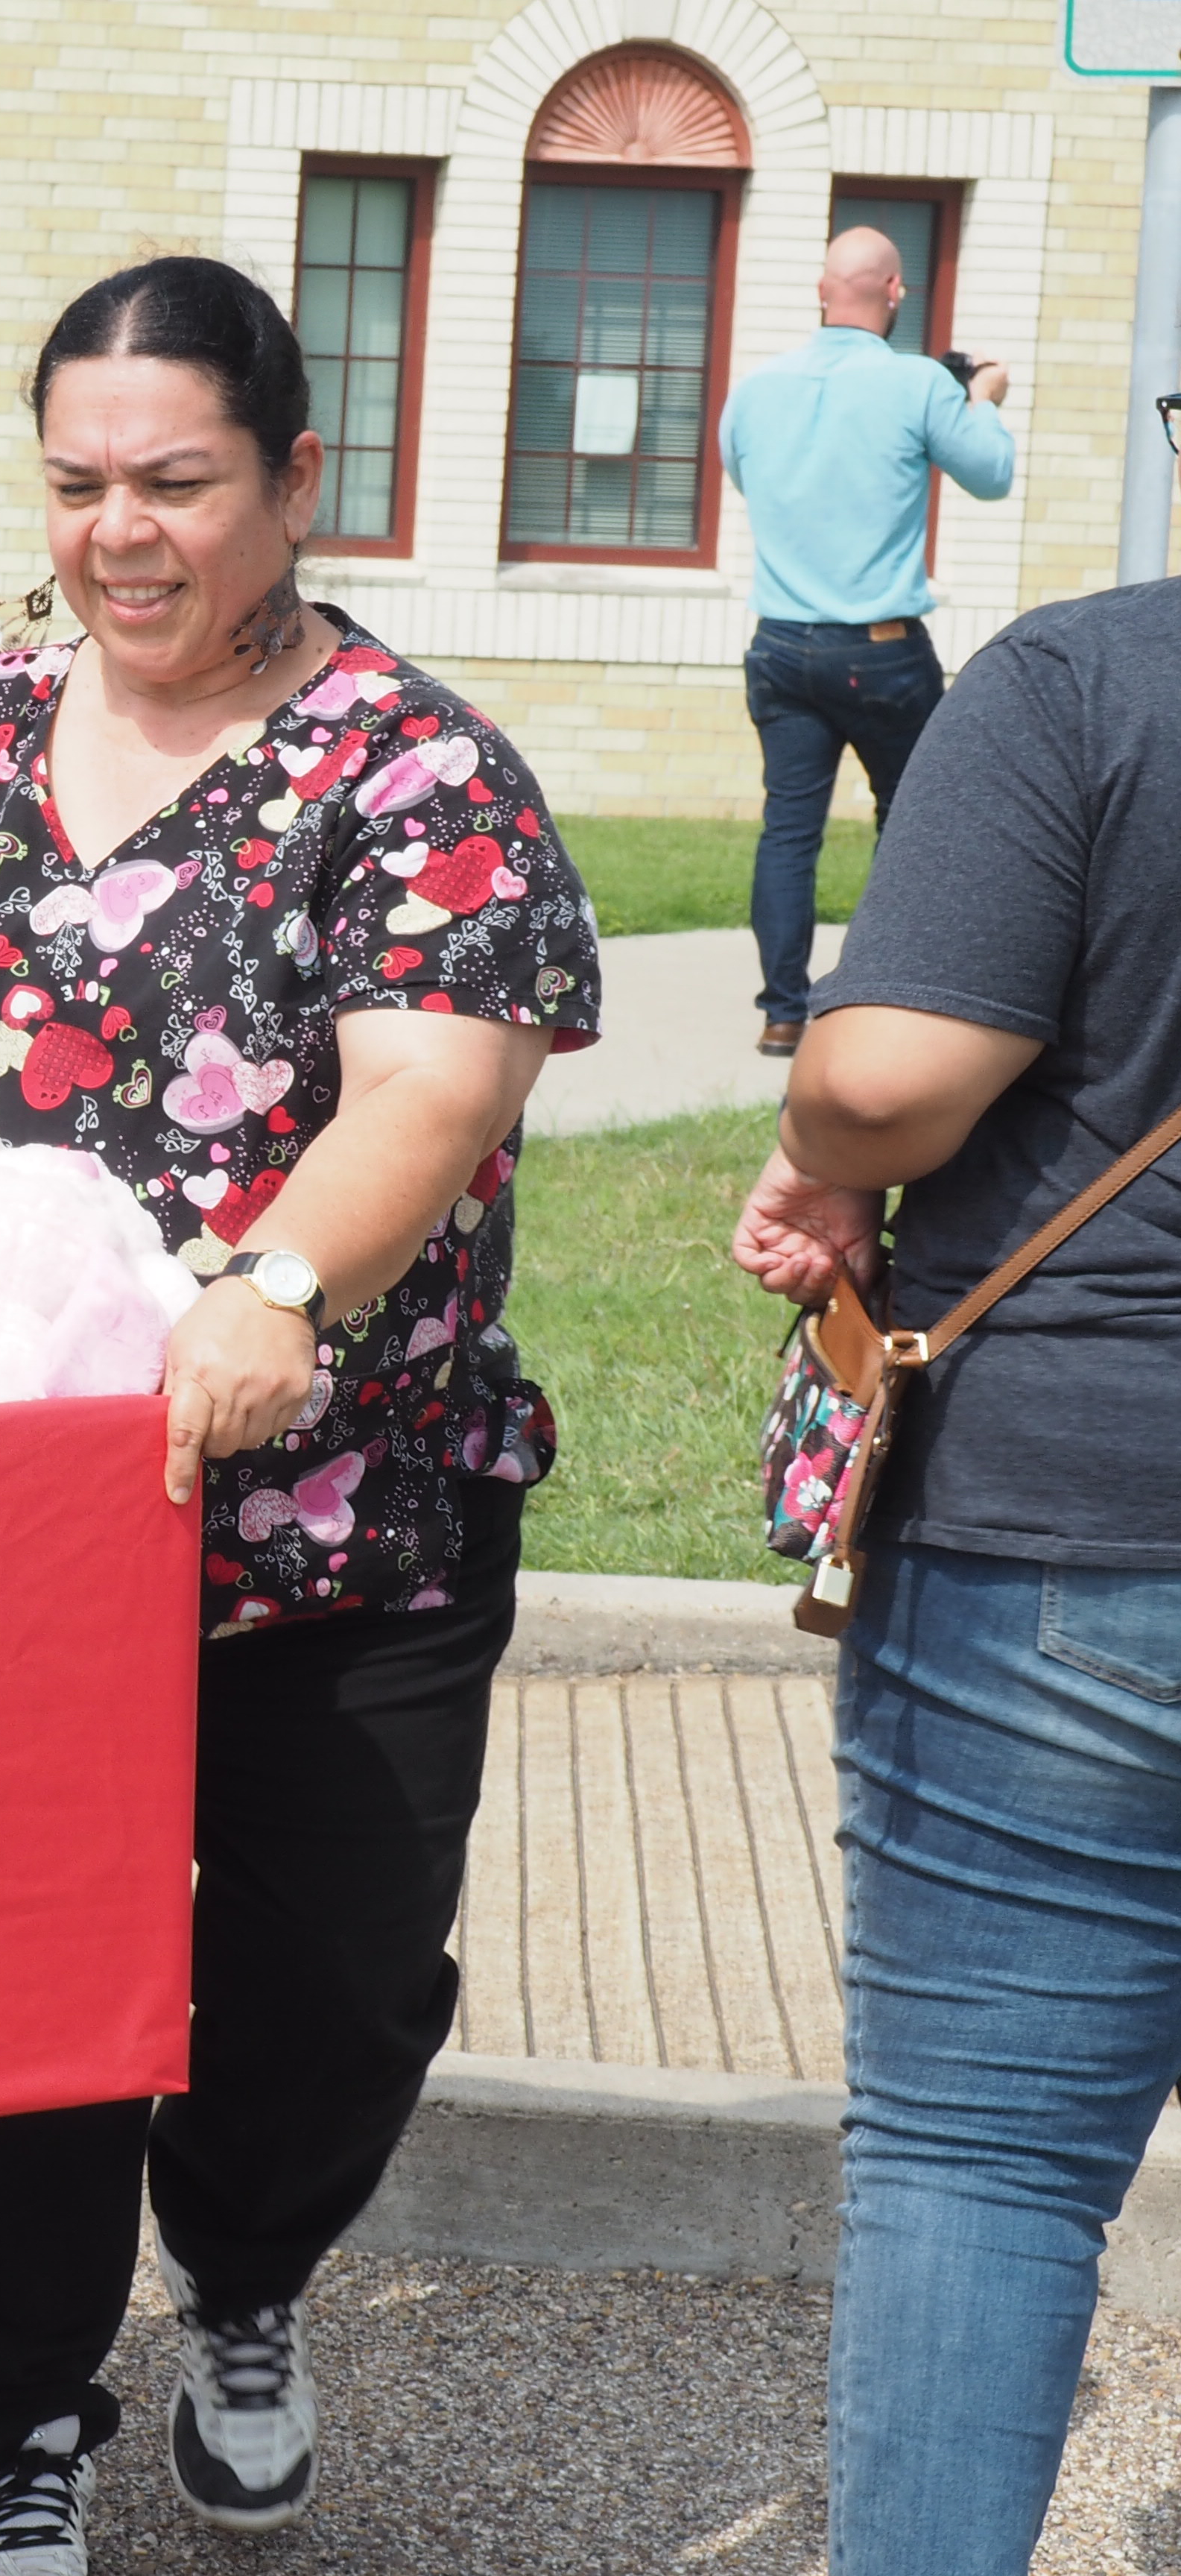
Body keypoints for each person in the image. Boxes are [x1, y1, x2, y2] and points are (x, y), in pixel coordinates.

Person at [0, 256, 598, 2573]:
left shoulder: (416, 769)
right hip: (0, 1529)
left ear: (295, 484)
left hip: (340, 1513)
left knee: (336, 1999)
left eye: (176, 481)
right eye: (77, 485)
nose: (120, 531)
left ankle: (247, 2276)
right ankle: (16, 2408)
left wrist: (270, 1287)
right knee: (2, 1992)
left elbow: (430, 1092)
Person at [729, 586, 1181, 2576]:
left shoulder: (1092, 683)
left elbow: (894, 1078)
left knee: (985, 2167)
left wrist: (821, 1133)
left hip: (1083, 1516)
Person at [718, 224, 1013, 1058]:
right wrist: (981, 397)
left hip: (779, 645)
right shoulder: (921, 385)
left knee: (789, 829)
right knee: (919, 819)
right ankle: (890, 995)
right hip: (881, 651)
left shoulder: (755, 389)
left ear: (822, 290)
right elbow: (990, 477)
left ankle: (782, 1011)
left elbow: (746, 475)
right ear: (895, 295)